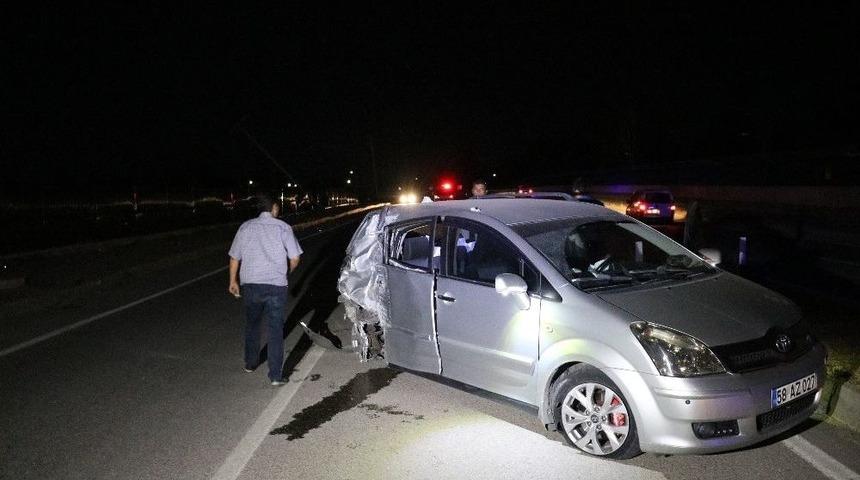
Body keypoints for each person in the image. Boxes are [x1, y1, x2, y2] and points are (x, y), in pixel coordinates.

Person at [228, 192, 303, 386]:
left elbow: (235, 257)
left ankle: (250, 363)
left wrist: (233, 281)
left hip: (251, 285)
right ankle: (275, 376)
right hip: (276, 285)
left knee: (252, 324)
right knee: (275, 329)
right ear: (274, 208)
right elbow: (295, 258)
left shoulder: (245, 227)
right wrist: (286, 272)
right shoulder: (283, 227)